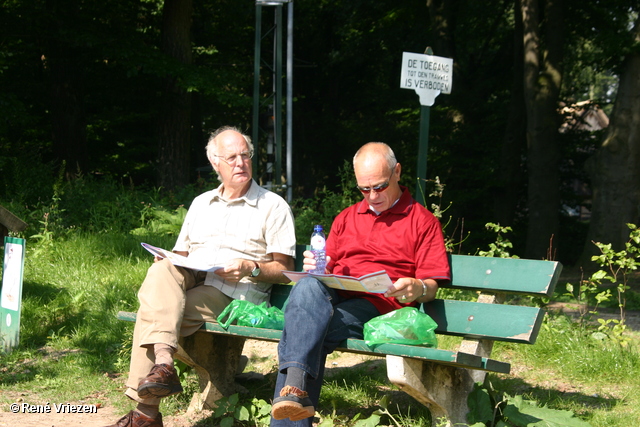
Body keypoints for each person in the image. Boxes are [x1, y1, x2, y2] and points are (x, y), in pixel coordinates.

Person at [106, 126, 296, 427]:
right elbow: (181, 256)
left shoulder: (272, 206)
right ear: (215, 163)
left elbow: (285, 270)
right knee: (160, 269)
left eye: (245, 155)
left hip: (236, 292)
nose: (240, 163)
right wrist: (167, 257)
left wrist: (251, 267)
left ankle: (146, 413)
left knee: (152, 312)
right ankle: (164, 366)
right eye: (231, 157)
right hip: (197, 278)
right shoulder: (201, 203)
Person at [270, 142, 451, 426]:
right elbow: (327, 265)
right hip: (332, 294)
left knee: (305, 329)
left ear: (397, 172)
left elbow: (431, 285)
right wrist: (317, 266)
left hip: (377, 304)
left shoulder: (422, 221)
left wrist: (418, 288)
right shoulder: (347, 217)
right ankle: (296, 389)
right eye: (364, 189)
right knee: (306, 287)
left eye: (379, 186)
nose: (372, 196)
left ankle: (293, 389)